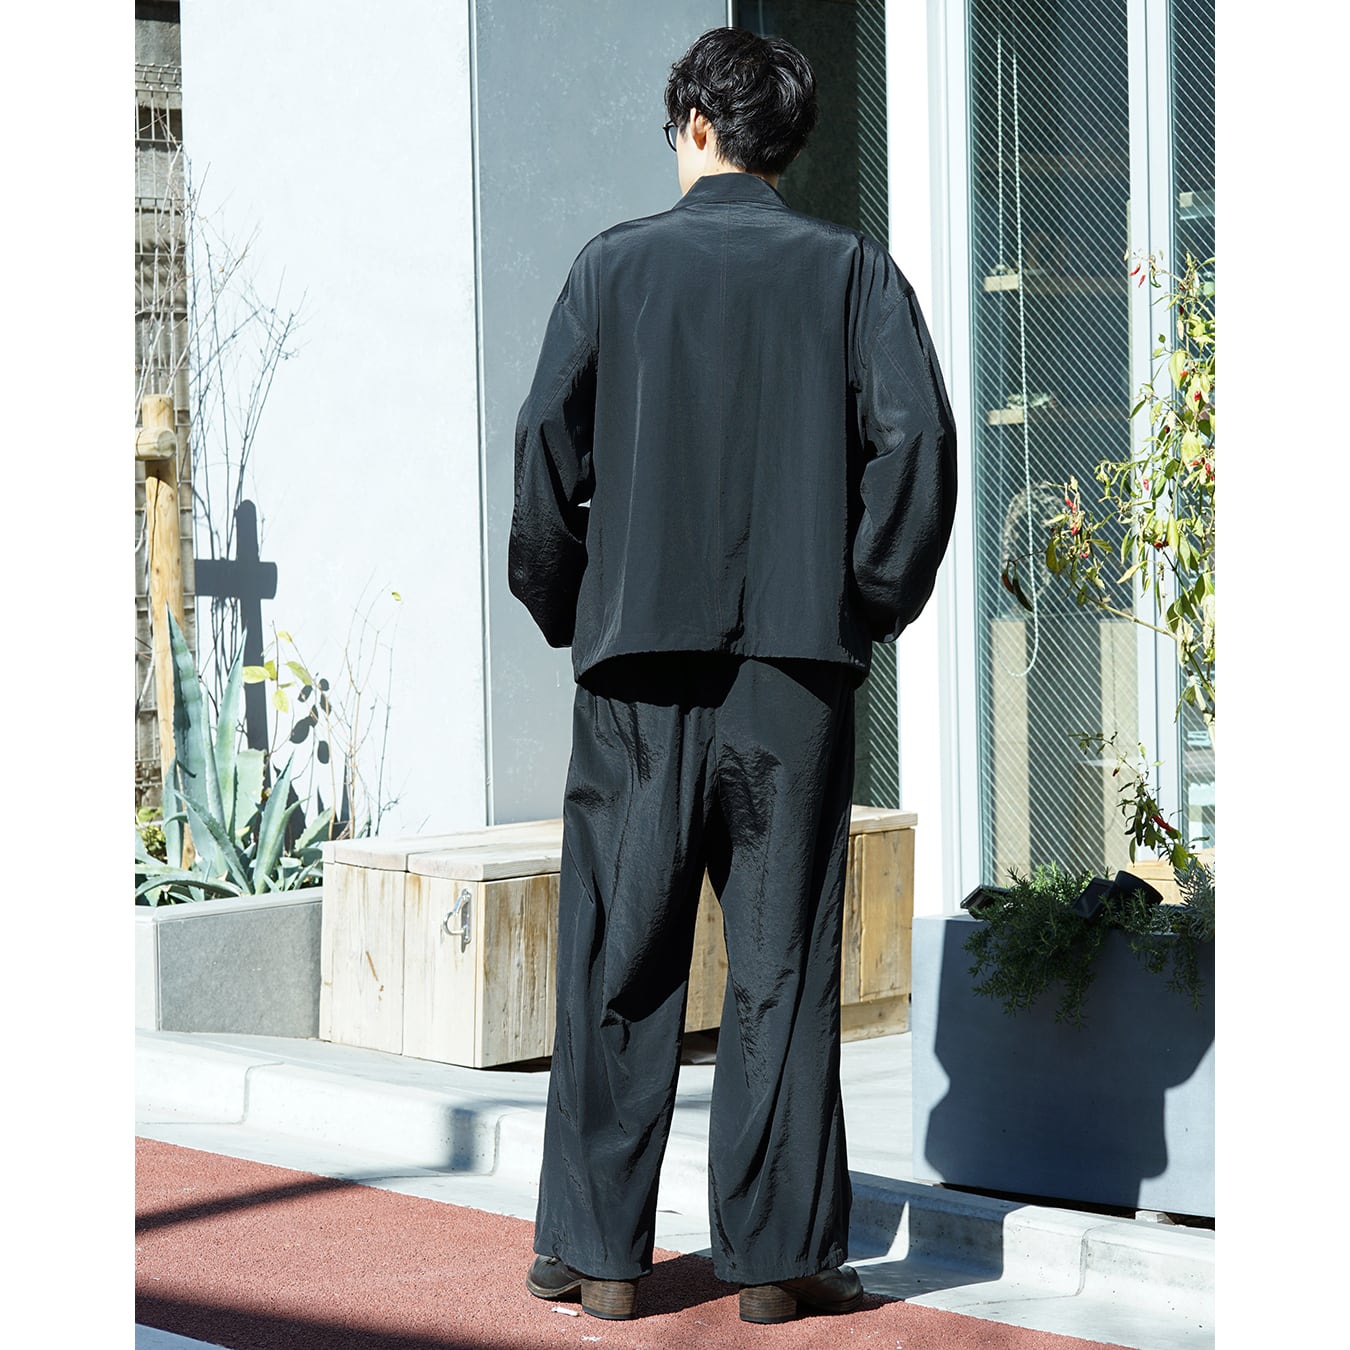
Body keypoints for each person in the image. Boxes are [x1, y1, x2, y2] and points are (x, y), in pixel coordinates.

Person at [509, 25, 956, 1326]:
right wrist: (861, 598)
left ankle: (600, 1250)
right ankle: (776, 1258)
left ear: (696, 125)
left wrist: (569, 601)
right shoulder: (849, 273)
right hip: (791, 677)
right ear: (784, 144)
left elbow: (545, 447)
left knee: (620, 950)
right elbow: (917, 445)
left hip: (636, 671)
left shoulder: (612, 268)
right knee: (780, 965)